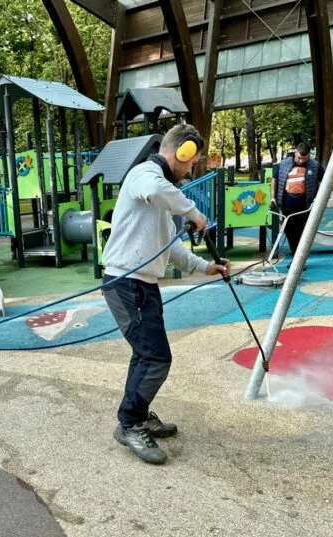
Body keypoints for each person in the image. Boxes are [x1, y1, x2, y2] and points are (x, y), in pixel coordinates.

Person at [101, 124, 231, 465]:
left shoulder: (160, 195)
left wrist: (206, 267)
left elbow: (171, 248)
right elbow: (156, 190)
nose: (190, 170)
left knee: (146, 355)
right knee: (156, 358)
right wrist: (192, 211)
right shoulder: (145, 176)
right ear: (181, 152)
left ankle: (136, 415)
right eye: (191, 162)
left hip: (141, 285)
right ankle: (129, 423)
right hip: (126, 283)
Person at [270, 142, 324, 256]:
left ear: (308, 155)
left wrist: (318, 199)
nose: (301, 161)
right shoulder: (284, 164)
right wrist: (273, 198)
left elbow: (324, 183)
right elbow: (274, 180)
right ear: (295, 153)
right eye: (299, 158)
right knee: (289, 230)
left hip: (305, 205)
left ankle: (299, 256)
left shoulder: (315, 166)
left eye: (304, 158)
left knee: (302, 232)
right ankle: (295, 251)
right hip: (287, 204)